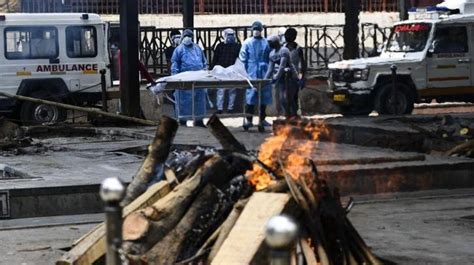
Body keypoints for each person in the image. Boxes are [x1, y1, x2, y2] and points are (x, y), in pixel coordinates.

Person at [171, 29, 208, 127]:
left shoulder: (198, 48)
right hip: (184, 79)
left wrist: (205, 72)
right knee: (184, 101)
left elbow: (204, 62)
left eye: (190, 36)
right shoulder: (179, 50)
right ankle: (183, 120)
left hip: (198, 78)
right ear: (183, 37)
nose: (188, 38)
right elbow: (175, 64)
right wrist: (175, 77)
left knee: (199, 100)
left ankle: (199, 120)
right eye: (186, 36)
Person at [239, 21, 272, 130]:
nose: (256, 31)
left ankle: (262, 119)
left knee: (264, 96)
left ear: (261, 30)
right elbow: (243, 58)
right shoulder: (247, 43)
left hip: (263, 70)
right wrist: (243, 72)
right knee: (251, 96)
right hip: (251, 71)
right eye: (255, 29)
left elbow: (270, 56)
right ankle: (249, 120)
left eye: (258, 29)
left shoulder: (266, 42)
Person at [265, 35, 299, 118]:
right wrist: (265, 79)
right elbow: (270, 68)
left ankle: (294, 114)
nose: (269, 45)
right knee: (282, 99)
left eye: (271, 43)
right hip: (281, 79)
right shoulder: (272, 53)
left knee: (288, 98)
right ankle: (288, 115)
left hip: (290, 77)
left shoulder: (284, 50)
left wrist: (276, 76)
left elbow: (282, 66)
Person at [212, 28, 241, 114]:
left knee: (232, 90)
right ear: (224, 36)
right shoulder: (220, 46)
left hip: (233, 70)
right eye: (228, 35)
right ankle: (219, 108)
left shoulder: (237, 46)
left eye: (232, 34)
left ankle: (230, 108)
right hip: (221, 70)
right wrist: (212, 69)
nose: (230, 37)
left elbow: (240, 59)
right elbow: (215, 59)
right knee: (220, 90)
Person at [284, 28, 307, 115]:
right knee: (285, 98)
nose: (286, 37)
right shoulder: (283, 48)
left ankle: (294, 114)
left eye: (288, 36)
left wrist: (303, 77)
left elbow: (303, 63)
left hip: (294, 76)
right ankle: (288, 115)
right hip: (284, 76)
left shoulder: (298, 49)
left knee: (293, 97)